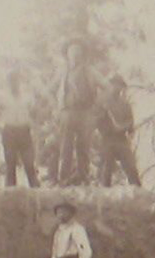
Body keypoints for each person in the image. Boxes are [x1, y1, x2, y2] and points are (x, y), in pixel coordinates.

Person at [57, 42, 99, 185]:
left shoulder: (89, 71)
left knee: (83, 146)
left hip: (84, 113)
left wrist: (98, 106)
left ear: (82, 55)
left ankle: (83, 177)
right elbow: (50, 88)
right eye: (72, 52)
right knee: (66, 146)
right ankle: (63, 178)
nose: (75, 55)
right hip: (68, 112)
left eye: (78, 52)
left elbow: (106, 85)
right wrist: (58, 107)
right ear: (68, 55)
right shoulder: (63, 72)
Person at [0, 70, 40, 188]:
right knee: (10, 165)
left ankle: (36, 193)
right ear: (7, 83)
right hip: (9, 131)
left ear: (20, 82)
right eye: (11, 81)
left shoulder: (27, 96)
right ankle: (10, 196)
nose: (14, 84)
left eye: (16, 81)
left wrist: (34, 126)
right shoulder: (1, 96)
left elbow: (35, 112)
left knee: (29, 164)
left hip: (24, 131)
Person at [96, 75, 142, 187]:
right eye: (114, 84)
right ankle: (104, 193)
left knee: (131, 167)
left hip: (121, 139)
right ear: (110, 86)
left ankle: (137, 191)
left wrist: (123, 128)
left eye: (119, 85)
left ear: (122, 88)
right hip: (107, 139)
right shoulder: (101, 102)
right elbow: (96, 121)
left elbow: (130, 123)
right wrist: (103, 114)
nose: (116, 88)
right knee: (106, 169)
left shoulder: (125, 104)